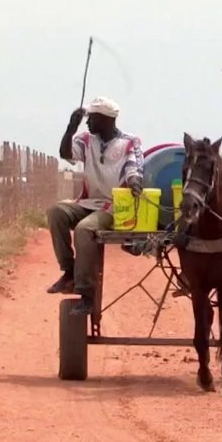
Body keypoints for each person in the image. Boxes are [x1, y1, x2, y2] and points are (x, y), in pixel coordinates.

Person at [47, 96, 144, 315]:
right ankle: (69, 272)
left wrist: (134, 180)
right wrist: (70, 129)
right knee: (56, 213)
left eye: (92, 117)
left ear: (106, 119)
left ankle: (86, 292)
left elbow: (133, 168)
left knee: (84, 229)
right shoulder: (86, 139)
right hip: (87, 202)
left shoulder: (130, 142)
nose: (88, 122)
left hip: (113, 206)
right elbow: (66, 153)